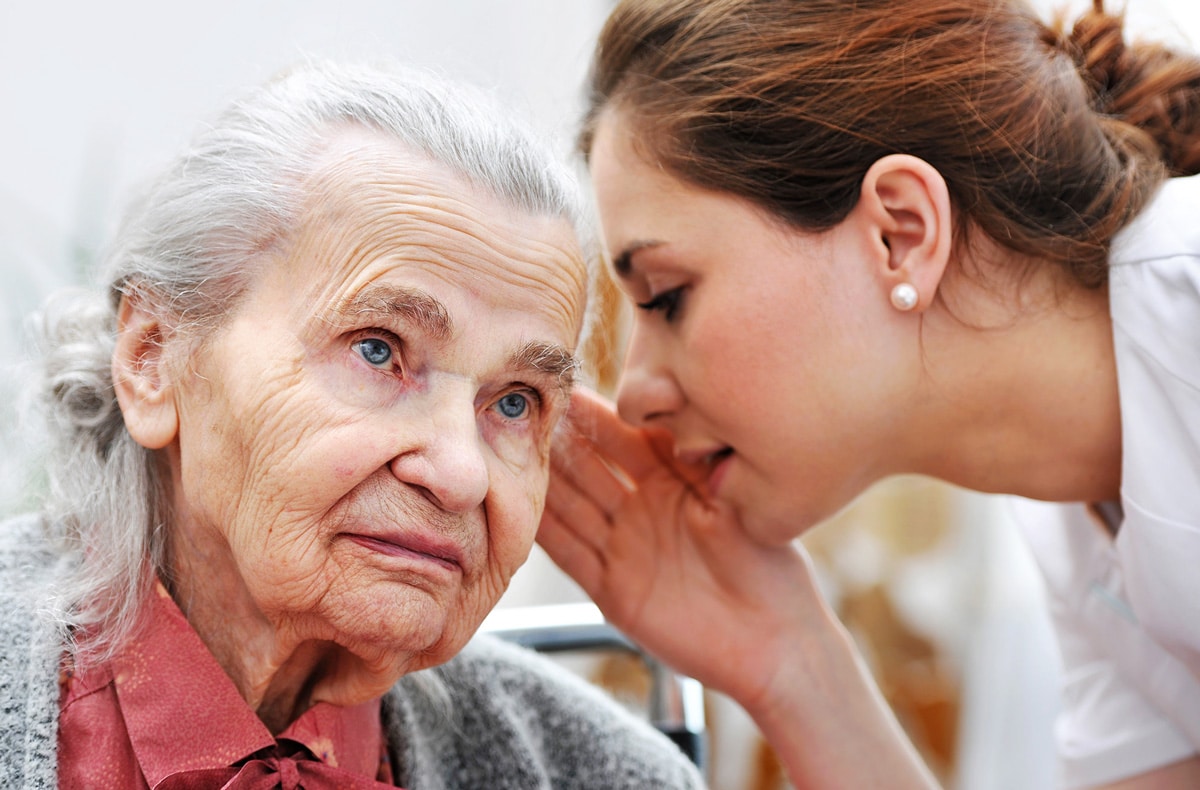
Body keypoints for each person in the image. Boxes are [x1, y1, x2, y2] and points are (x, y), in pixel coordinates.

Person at [539, 0, 1200, 787]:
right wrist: (795, 666)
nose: (637, 394)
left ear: (901, 233)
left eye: (668, 295)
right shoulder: (1077, 518)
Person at [0, 60, 706, 789]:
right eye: (378, 351)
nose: (461, 474)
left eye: (515, 400)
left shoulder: (602, 774)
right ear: (154, 359)